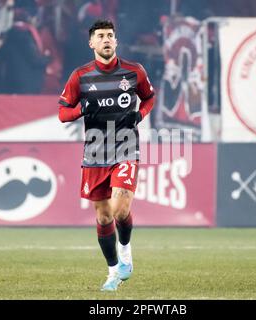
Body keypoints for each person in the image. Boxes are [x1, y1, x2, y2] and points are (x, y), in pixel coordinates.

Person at [58, 19, 154, 291]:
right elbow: (63, 112)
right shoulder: (80, 76)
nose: (106, 40)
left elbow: (149, 98)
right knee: (102, 217)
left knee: (120, 209)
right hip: (95, 151)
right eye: (100, 36)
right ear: (91, 43)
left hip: (125, 146)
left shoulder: (134, 72)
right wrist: (80, 111)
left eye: (110, 35)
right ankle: (113, 272)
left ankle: (126, 253)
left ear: (116, 41)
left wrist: (141, 114)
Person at [1, 0, 51, 94]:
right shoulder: (25, 33)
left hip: (13, 78)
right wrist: (47, 58)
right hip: (27, 82)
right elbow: (34, 59)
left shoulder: (10, 31)